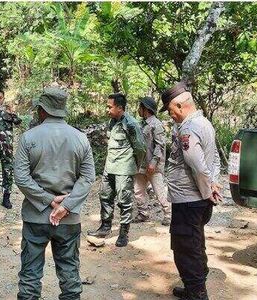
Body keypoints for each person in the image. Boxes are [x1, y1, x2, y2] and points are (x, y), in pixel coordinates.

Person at [14, 87, 95, 299]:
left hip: (35, 216)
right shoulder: (80, 139)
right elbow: (87, 178)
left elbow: (21, 178)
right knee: (69, 272)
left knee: (30, 275)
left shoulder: (28, 138)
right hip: (68, 220)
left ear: (42, 110)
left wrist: (49, 201)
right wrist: (65, 206)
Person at [159, 82, 221, 300]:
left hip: (189, 199)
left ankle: (197, 293)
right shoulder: (205, 123)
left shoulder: (188, 128)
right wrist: (212, 185)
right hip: (197, 198)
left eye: (170, 110)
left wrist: (207, 191)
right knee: (195, 242)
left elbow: (197, 164)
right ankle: (194, 287)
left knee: (186, 248)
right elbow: (213, 160)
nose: (171, 115)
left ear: (179, 105)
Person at [88, 93, 145, 247]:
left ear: (120, 108)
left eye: (109, 106)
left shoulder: (131, 124)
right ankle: (105, 227)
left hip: (124, 168)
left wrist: (134, 167)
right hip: (110, 167)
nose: (107, 109)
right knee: (105, 197)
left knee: (124, 201)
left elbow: (140, 148)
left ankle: (123, 233)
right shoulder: (112, 122)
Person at [132, 96, 171, 225]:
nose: (138, 109)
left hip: (152, 165)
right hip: (141, 164)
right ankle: (143, 213)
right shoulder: (141, 124)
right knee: (138, 190)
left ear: (146, 109)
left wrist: (153, 162)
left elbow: (160, 145)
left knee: (159, 191)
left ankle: (168, 215)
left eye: (140, 107)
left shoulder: (156, 124)